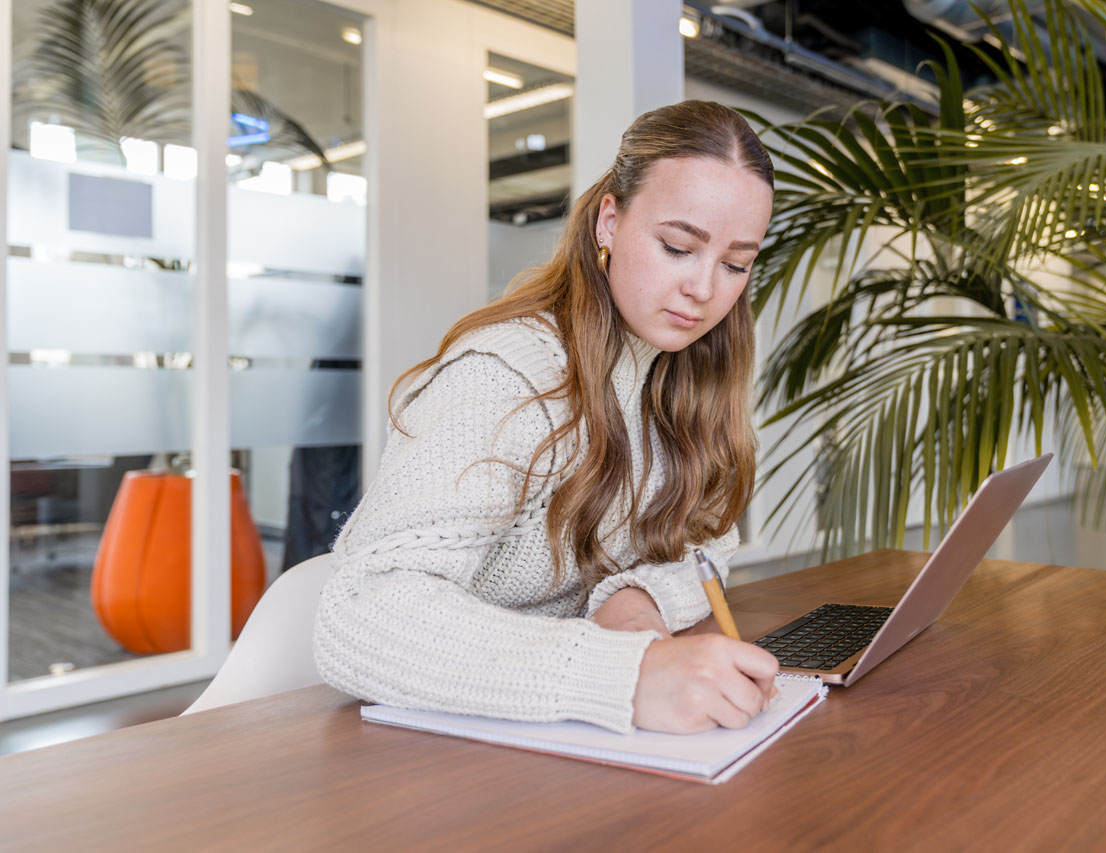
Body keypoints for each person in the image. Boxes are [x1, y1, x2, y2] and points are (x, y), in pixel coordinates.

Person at [314, 100, 779, 735]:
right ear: (609, 223)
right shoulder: (508, 374)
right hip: (430, 753)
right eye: (677, 246)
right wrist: (621, 674)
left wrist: (635, 601)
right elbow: (361, 615)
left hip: (549, 741)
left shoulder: (681, 371)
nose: (705, 289)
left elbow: (708, 543)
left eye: (735, 264)